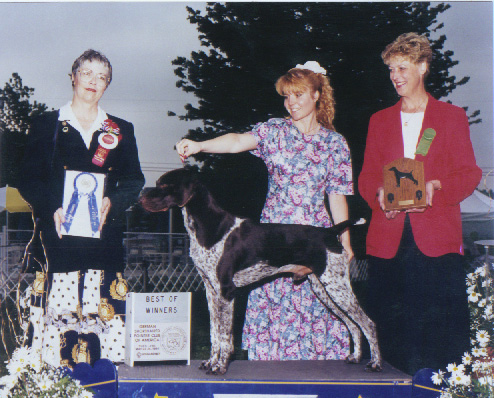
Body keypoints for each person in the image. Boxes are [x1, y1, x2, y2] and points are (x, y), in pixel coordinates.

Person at [176, 61, 354, 360]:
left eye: (298, 94)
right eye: (286, 96)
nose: (291, 102)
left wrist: (346, 243)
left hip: (314, 240)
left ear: (317, 94)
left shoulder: (335, 143)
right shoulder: (274, 130)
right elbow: (235, 142)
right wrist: (199, 145)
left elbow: (337, 196)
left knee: (324, 307)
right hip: (272, 241)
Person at [358, 33, 482, 374]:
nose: (395, 76)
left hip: (436, 240)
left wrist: (436, 187)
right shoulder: (379, 121)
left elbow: (469, 173)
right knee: (391, 334)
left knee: (440, 336)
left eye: (402, 67)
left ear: (423, 67)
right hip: (389, 240)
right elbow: (368, 177)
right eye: (390, 69)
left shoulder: (451, 117)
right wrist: (380, 195)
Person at [18, 50, 145, 368]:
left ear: (107, 86)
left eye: (102, 77)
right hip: (56, 246)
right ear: (72, 76)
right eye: (87, 73)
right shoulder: (47, 124)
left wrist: (112, 201)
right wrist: (52, 208)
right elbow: (28, 179)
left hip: (104, 248)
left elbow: (134, 180)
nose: (94, 81)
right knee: (57, 343)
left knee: (105, 346)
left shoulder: (120, 130)